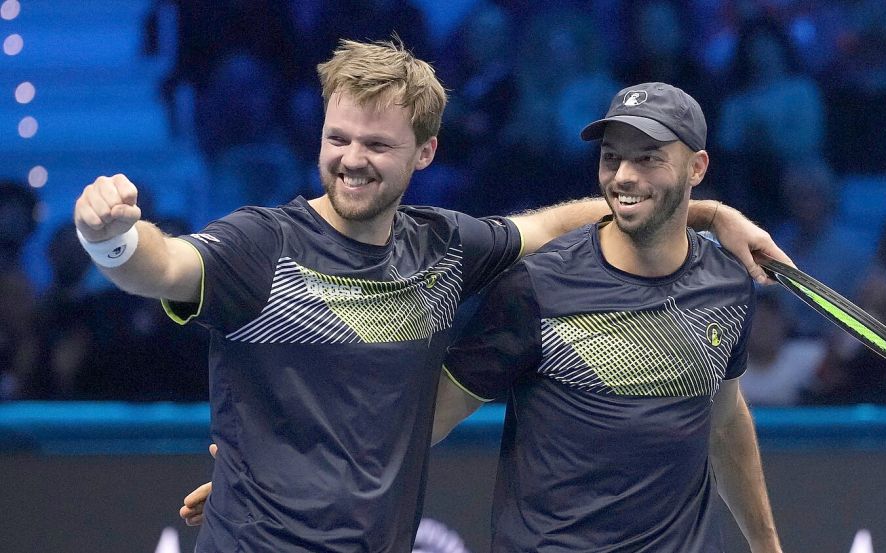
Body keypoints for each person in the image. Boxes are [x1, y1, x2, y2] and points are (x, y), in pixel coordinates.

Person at [76, 40, 784, 552]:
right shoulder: (259, 246)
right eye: (338, 138)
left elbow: (550, 222)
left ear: (425, 153)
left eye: (376, 145)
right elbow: (163, 266)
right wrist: (110, 239)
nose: (351, 158)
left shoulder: (443, 249)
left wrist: (706, 214)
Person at [431, 83, 782, 551]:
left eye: (648, 158)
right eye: (612, 157)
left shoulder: (728, 285)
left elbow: (723, 419)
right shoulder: (533, 287)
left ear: (697, 167)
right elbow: (428, 423)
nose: (623, 176)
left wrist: (767, 547)